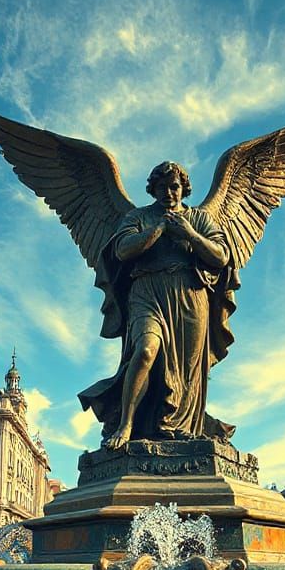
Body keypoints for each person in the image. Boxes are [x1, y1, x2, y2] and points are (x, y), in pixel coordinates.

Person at [79, 161, 234, 448]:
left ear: (183, 188)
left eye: (174, 186)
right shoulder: (138, 217)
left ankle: (179, 427)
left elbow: (221, 256)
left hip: (190, 295)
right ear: (153, 189)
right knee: (146, 350)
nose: (168, 192)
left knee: (186, 370)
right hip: (147, 291)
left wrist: (189, 234)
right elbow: (123, 250)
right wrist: (159, 228)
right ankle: (126, 425)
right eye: (161, 187)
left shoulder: (198, 219)